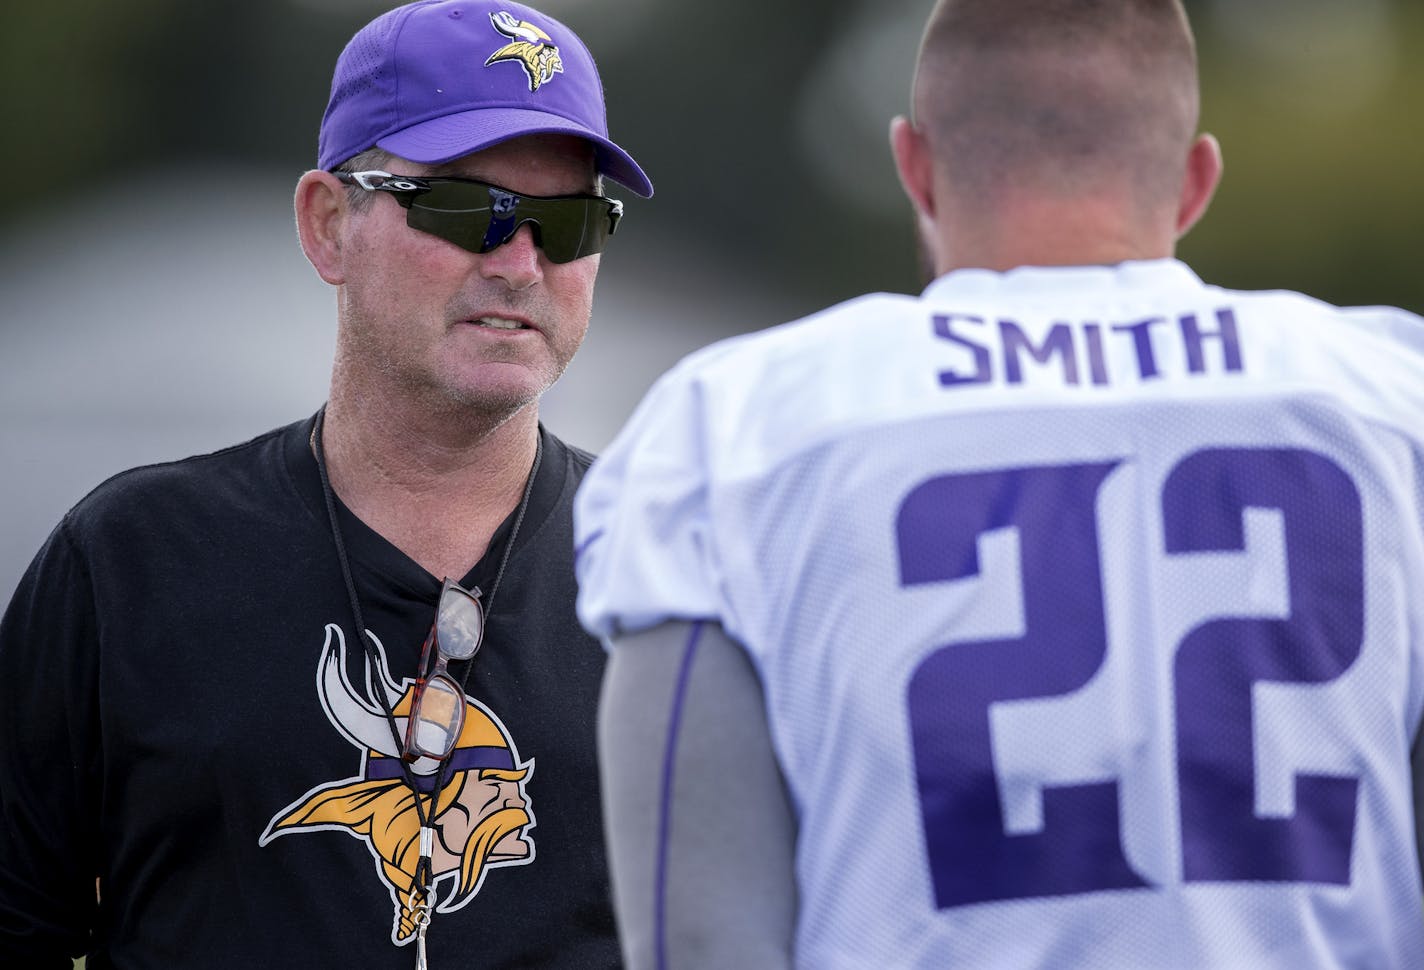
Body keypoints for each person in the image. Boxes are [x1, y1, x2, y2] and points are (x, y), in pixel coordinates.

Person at [573, 0, 1424, 967]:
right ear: (1195, 182)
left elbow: (700, 939)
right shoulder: (1391, 398)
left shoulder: (735, 427)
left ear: (915, 167)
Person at [0, 0, 651, 966]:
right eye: (466, 209)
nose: (521, 262)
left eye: (569, 221)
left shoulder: (675, 566)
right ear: (327, 225)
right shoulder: (135, 557)